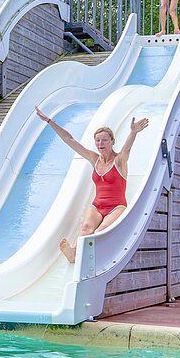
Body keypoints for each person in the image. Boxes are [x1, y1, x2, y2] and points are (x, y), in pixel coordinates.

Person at [35, 107, 150, 263]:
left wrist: (133, 132)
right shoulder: (93, 158)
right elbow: (70, 140)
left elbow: (127, 148)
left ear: (112, 142)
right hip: (97, 205)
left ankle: (88, 258)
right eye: (97, 140)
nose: (100, 143)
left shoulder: (119, 161)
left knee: (99, 231)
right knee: (86, 229)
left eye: (104, 140)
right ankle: (73, 254)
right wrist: (49, 121)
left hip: (117, 207)